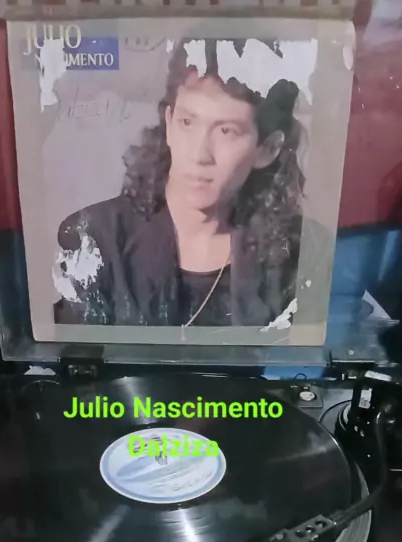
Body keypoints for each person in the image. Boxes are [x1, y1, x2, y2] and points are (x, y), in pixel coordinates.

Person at [53, 38, 304, 327]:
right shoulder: (95, 238)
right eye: (187, 122)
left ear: (268, 149)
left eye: (226, 131)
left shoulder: (298, 253)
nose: (199, 154)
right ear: (170, 123)